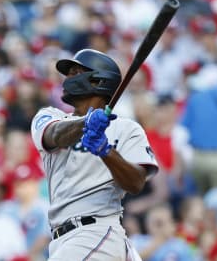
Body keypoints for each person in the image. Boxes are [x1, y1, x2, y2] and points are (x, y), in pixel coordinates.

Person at [30, 48, 158, 260]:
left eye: (75, 72)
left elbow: (136, 183)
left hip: (97, 231)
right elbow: (54, 135)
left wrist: (106, 151)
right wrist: (86, 123)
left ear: (98, 81)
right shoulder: (50, 116)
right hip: (63, 239)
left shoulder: (126, 128)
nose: (67, 78)